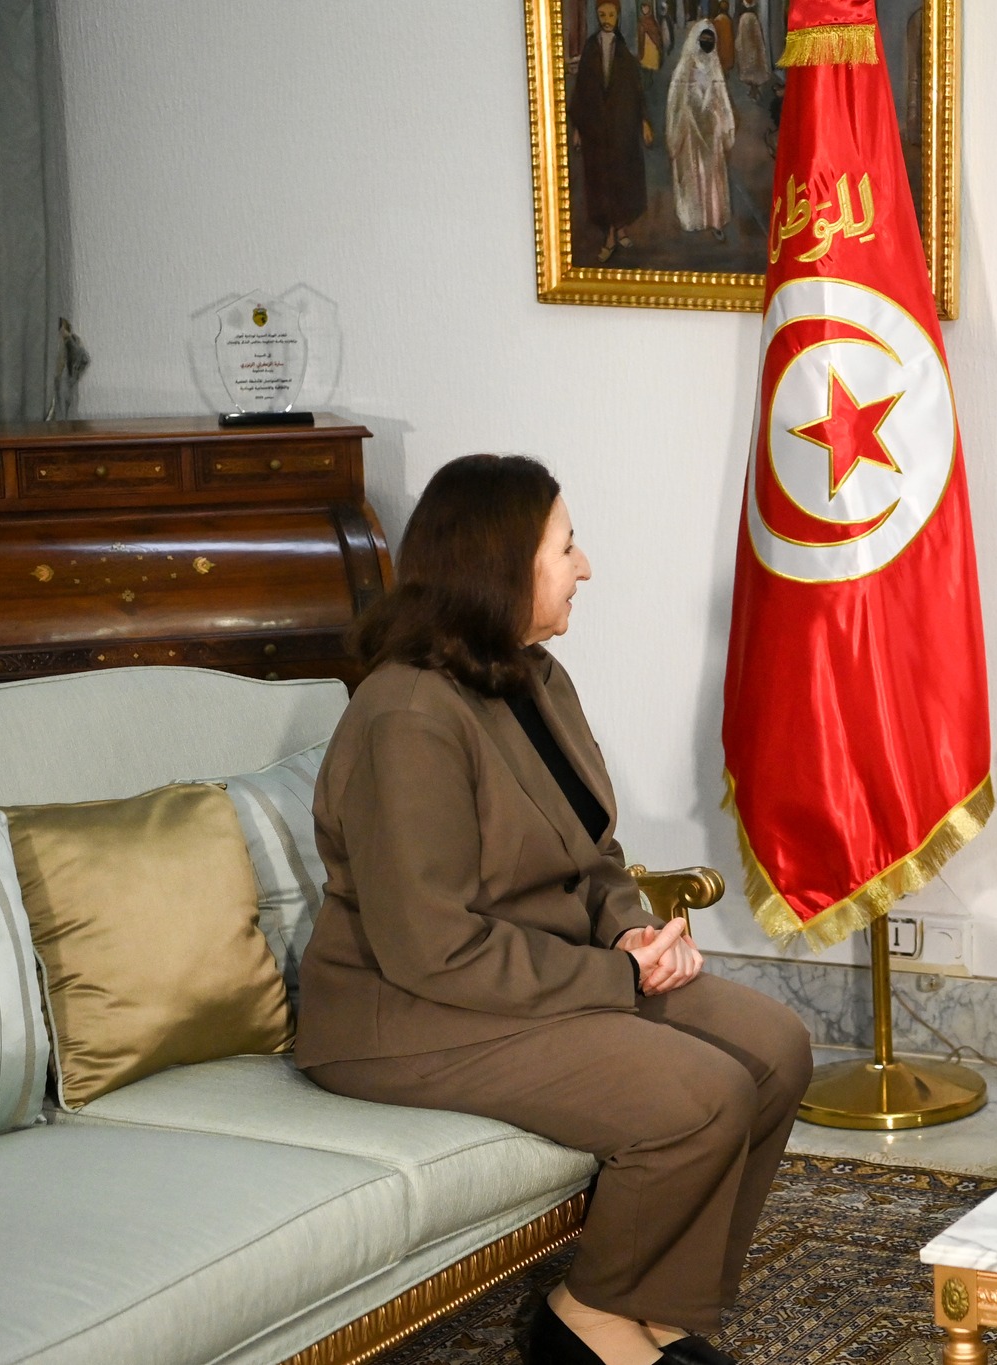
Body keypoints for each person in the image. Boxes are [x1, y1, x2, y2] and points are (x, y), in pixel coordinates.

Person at [295, 455, 810, 1365]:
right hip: (409, 1016)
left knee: (776, 1046)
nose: (585, 567)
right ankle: (588, 1316)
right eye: (566, 547)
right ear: (501, 566)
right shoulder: (406, 715)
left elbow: (592, 849)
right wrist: (615, 975)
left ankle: (663, 1313)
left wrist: (629, 927)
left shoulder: (531, 675)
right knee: (700, 1098)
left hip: (539, 977)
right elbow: (432, 948)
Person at [569, 0, 653, 265]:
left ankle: (621, 229)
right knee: (601, 182)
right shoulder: (590, 49)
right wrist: (578, 128)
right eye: (602, 14)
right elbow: (581, 90)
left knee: (622, 179)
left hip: (621, 129)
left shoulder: (624, 52)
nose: (606, 19)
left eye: (611, 14)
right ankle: (609, 236)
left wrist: (644, 122)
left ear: (618, 16)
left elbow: (636, 90)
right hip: (596, 131)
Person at [666, 21, 735, 239]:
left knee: (713, 178)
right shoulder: (683, 71)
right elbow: (674, 105)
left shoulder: (715, 69)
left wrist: (727, 128)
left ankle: (715, 220)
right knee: (693, 176)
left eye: (710, 40)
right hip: (690, 134)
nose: (706, 44)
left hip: (711, 134)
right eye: (703, 39)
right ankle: (694, 219)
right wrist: (674, 133)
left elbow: (723, 101)